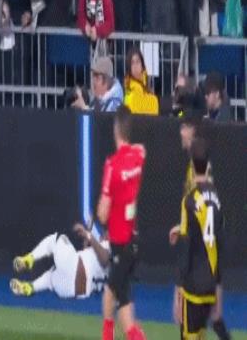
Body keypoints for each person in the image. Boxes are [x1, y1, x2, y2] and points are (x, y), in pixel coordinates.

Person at [168, 114, 231, 340]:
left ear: (192, 130)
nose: (181, 131)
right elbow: (210, 217)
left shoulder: (195, 182)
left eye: (184, 127)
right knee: (209, 325)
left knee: (191, 332)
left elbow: (198, 211)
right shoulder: (216, 197)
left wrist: (177, 291)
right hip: (210, 275)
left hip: (195, 275)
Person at [97, 105, 147, 340]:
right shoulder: (138, 157)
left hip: (120, 241)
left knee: (113, 296)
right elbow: (141, 149)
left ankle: (116, 336)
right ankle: (117, 335)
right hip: (133, 238)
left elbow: (102, 214)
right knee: (120, 295)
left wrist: (102, 207)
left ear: (116, 130)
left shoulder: (112, 165)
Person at [10, 223, 110, 300]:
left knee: (56, 239)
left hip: (75, 270)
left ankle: (28, 259)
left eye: (107, 231)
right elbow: (92, 261)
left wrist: (89, 236)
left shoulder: (112, 246)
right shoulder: (104, 249)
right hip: (72, 290)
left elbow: (105, 259)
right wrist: (86, 240)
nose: (103, 233)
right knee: (51, 275)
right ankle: (29, 287)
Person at [123, 47, 159, 115]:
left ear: (142, 65)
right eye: (132, 63)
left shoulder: (147, 88)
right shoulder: (131, 91)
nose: (135, 66)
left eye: (137, 62)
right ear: (129, 67)